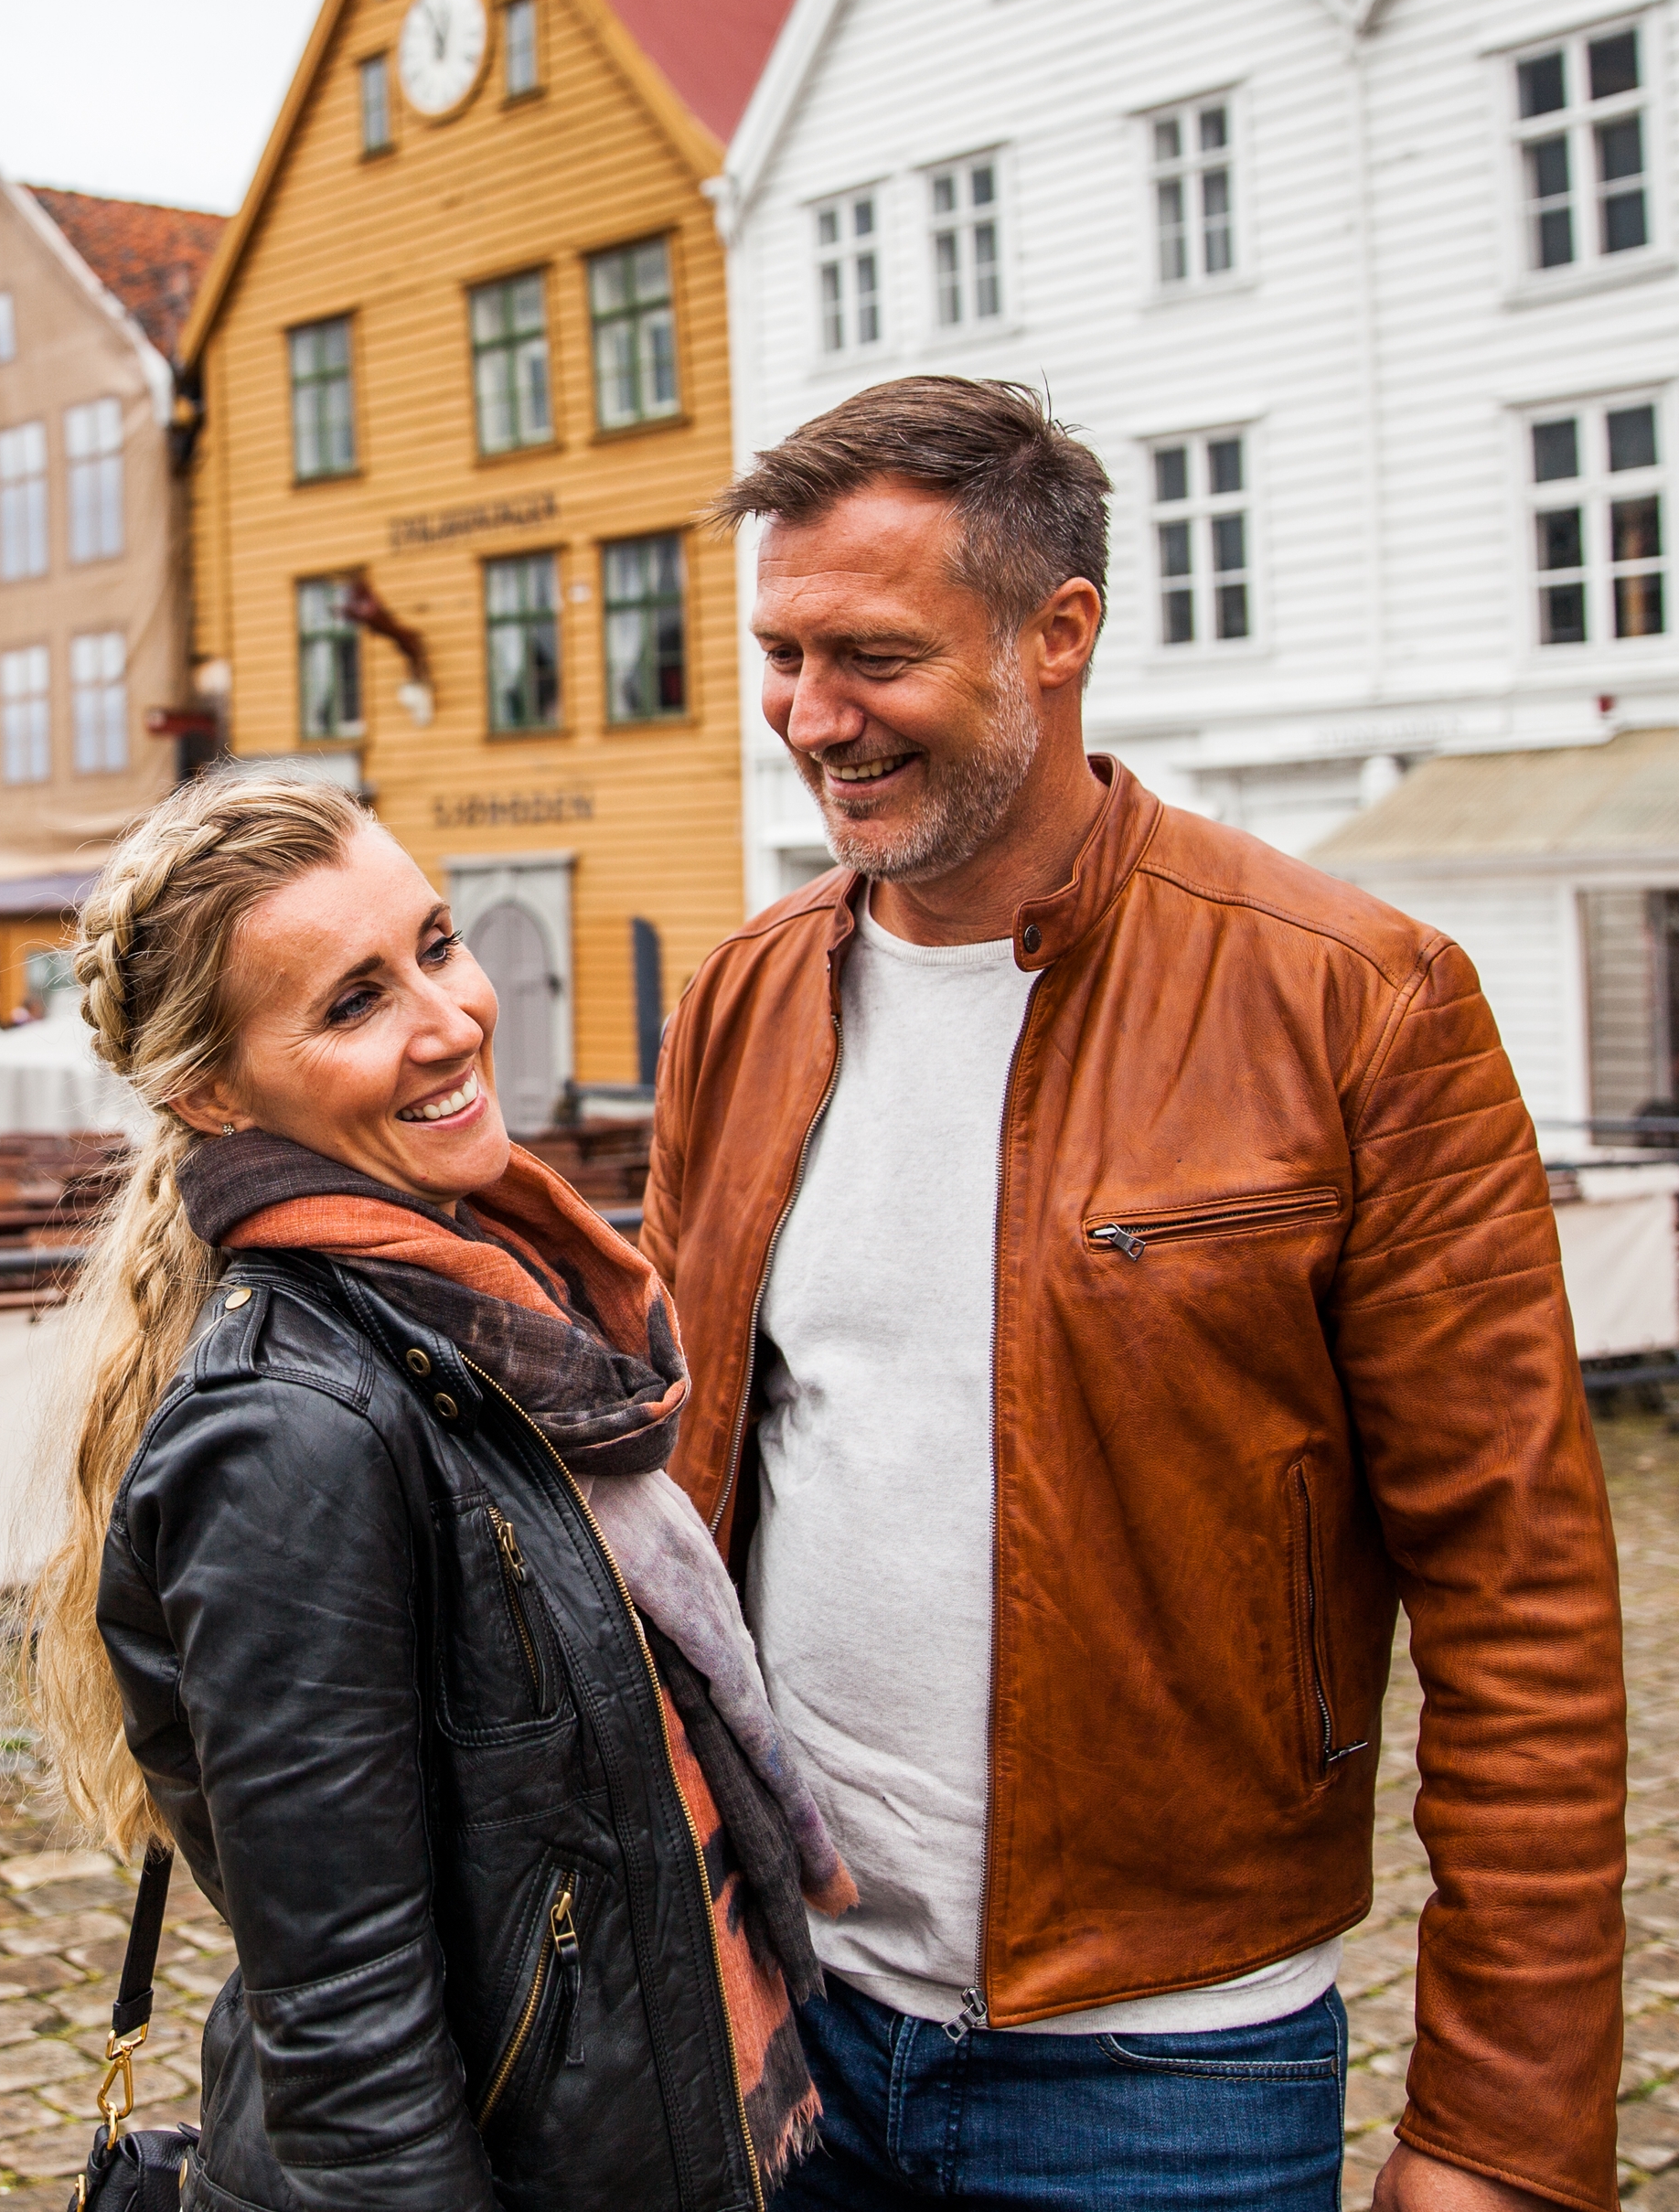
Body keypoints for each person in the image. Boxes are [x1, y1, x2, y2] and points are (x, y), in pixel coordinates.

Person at [650, 377, 1627, 2212]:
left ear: (1060, 633)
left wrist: (1505, 2126)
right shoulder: (745, 1002)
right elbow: (675, 1480)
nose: (808, 717)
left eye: (869, 655)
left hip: (1168, 2065)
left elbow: (1523, 1592)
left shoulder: (1358, 1003)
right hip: (782, 2013)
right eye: (780, 655)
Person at [20, 767, 853, 2210]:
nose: (451, 1018)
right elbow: (352, 2048)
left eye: (438, 943)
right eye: (355, 1003)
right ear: (211, 1092)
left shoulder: (479, 1312)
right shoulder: (288, 1427)